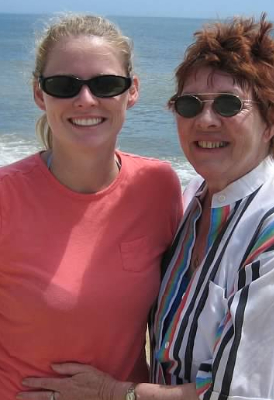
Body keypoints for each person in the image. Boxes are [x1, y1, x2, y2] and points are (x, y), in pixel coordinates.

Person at [19, 12, 274, 400]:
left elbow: (243, 394)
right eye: (190, 105)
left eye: (229, 105)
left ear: (272, 121)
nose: (206, 120)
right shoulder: (188, 197)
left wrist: (115, 393)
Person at [0, 13, 183, 400]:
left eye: (105, 84)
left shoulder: (159, 186)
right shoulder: (6, 197)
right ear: (39, 93)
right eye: (64, 85)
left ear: (132, 91)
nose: (85, 100)